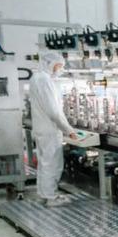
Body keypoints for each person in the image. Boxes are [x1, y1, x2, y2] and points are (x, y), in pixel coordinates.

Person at [29, 52, 76, 206]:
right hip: (49, 130)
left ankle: (43, 194)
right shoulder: (45, 80)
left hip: (41, 128)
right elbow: (53, 111)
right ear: (51, 64)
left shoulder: (36, 78)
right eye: (59, 66)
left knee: (44, 163)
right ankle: (51, 197)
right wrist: (68, 129)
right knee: (53, 164)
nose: (60, 69)